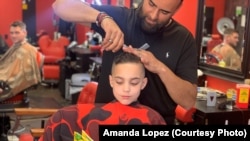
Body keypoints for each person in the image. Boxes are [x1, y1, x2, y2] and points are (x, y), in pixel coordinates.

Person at [52, 0, 197, 124]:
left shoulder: (183, 40)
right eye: (151, 4)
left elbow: (188, 101)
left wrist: (159, 67)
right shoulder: (120, 18)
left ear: (176, 10)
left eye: (164, 12)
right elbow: (59, 5)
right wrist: (103, 19)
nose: (153, 16)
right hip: (107, 122)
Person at [39, 52, 166, 141]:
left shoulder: (153, 119)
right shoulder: (71, 117)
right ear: (111, 81)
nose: (126, 89)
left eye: (134, 82)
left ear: (143, 83)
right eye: (119, 82)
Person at [0, 21, 43, 101]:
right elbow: (6, 64)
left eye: (17, 33)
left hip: (8, 85)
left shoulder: (27, 51)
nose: (13, 36)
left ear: (25, 33)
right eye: (11, 33)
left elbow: (21, 76)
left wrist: (3, 83)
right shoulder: (16, 46)